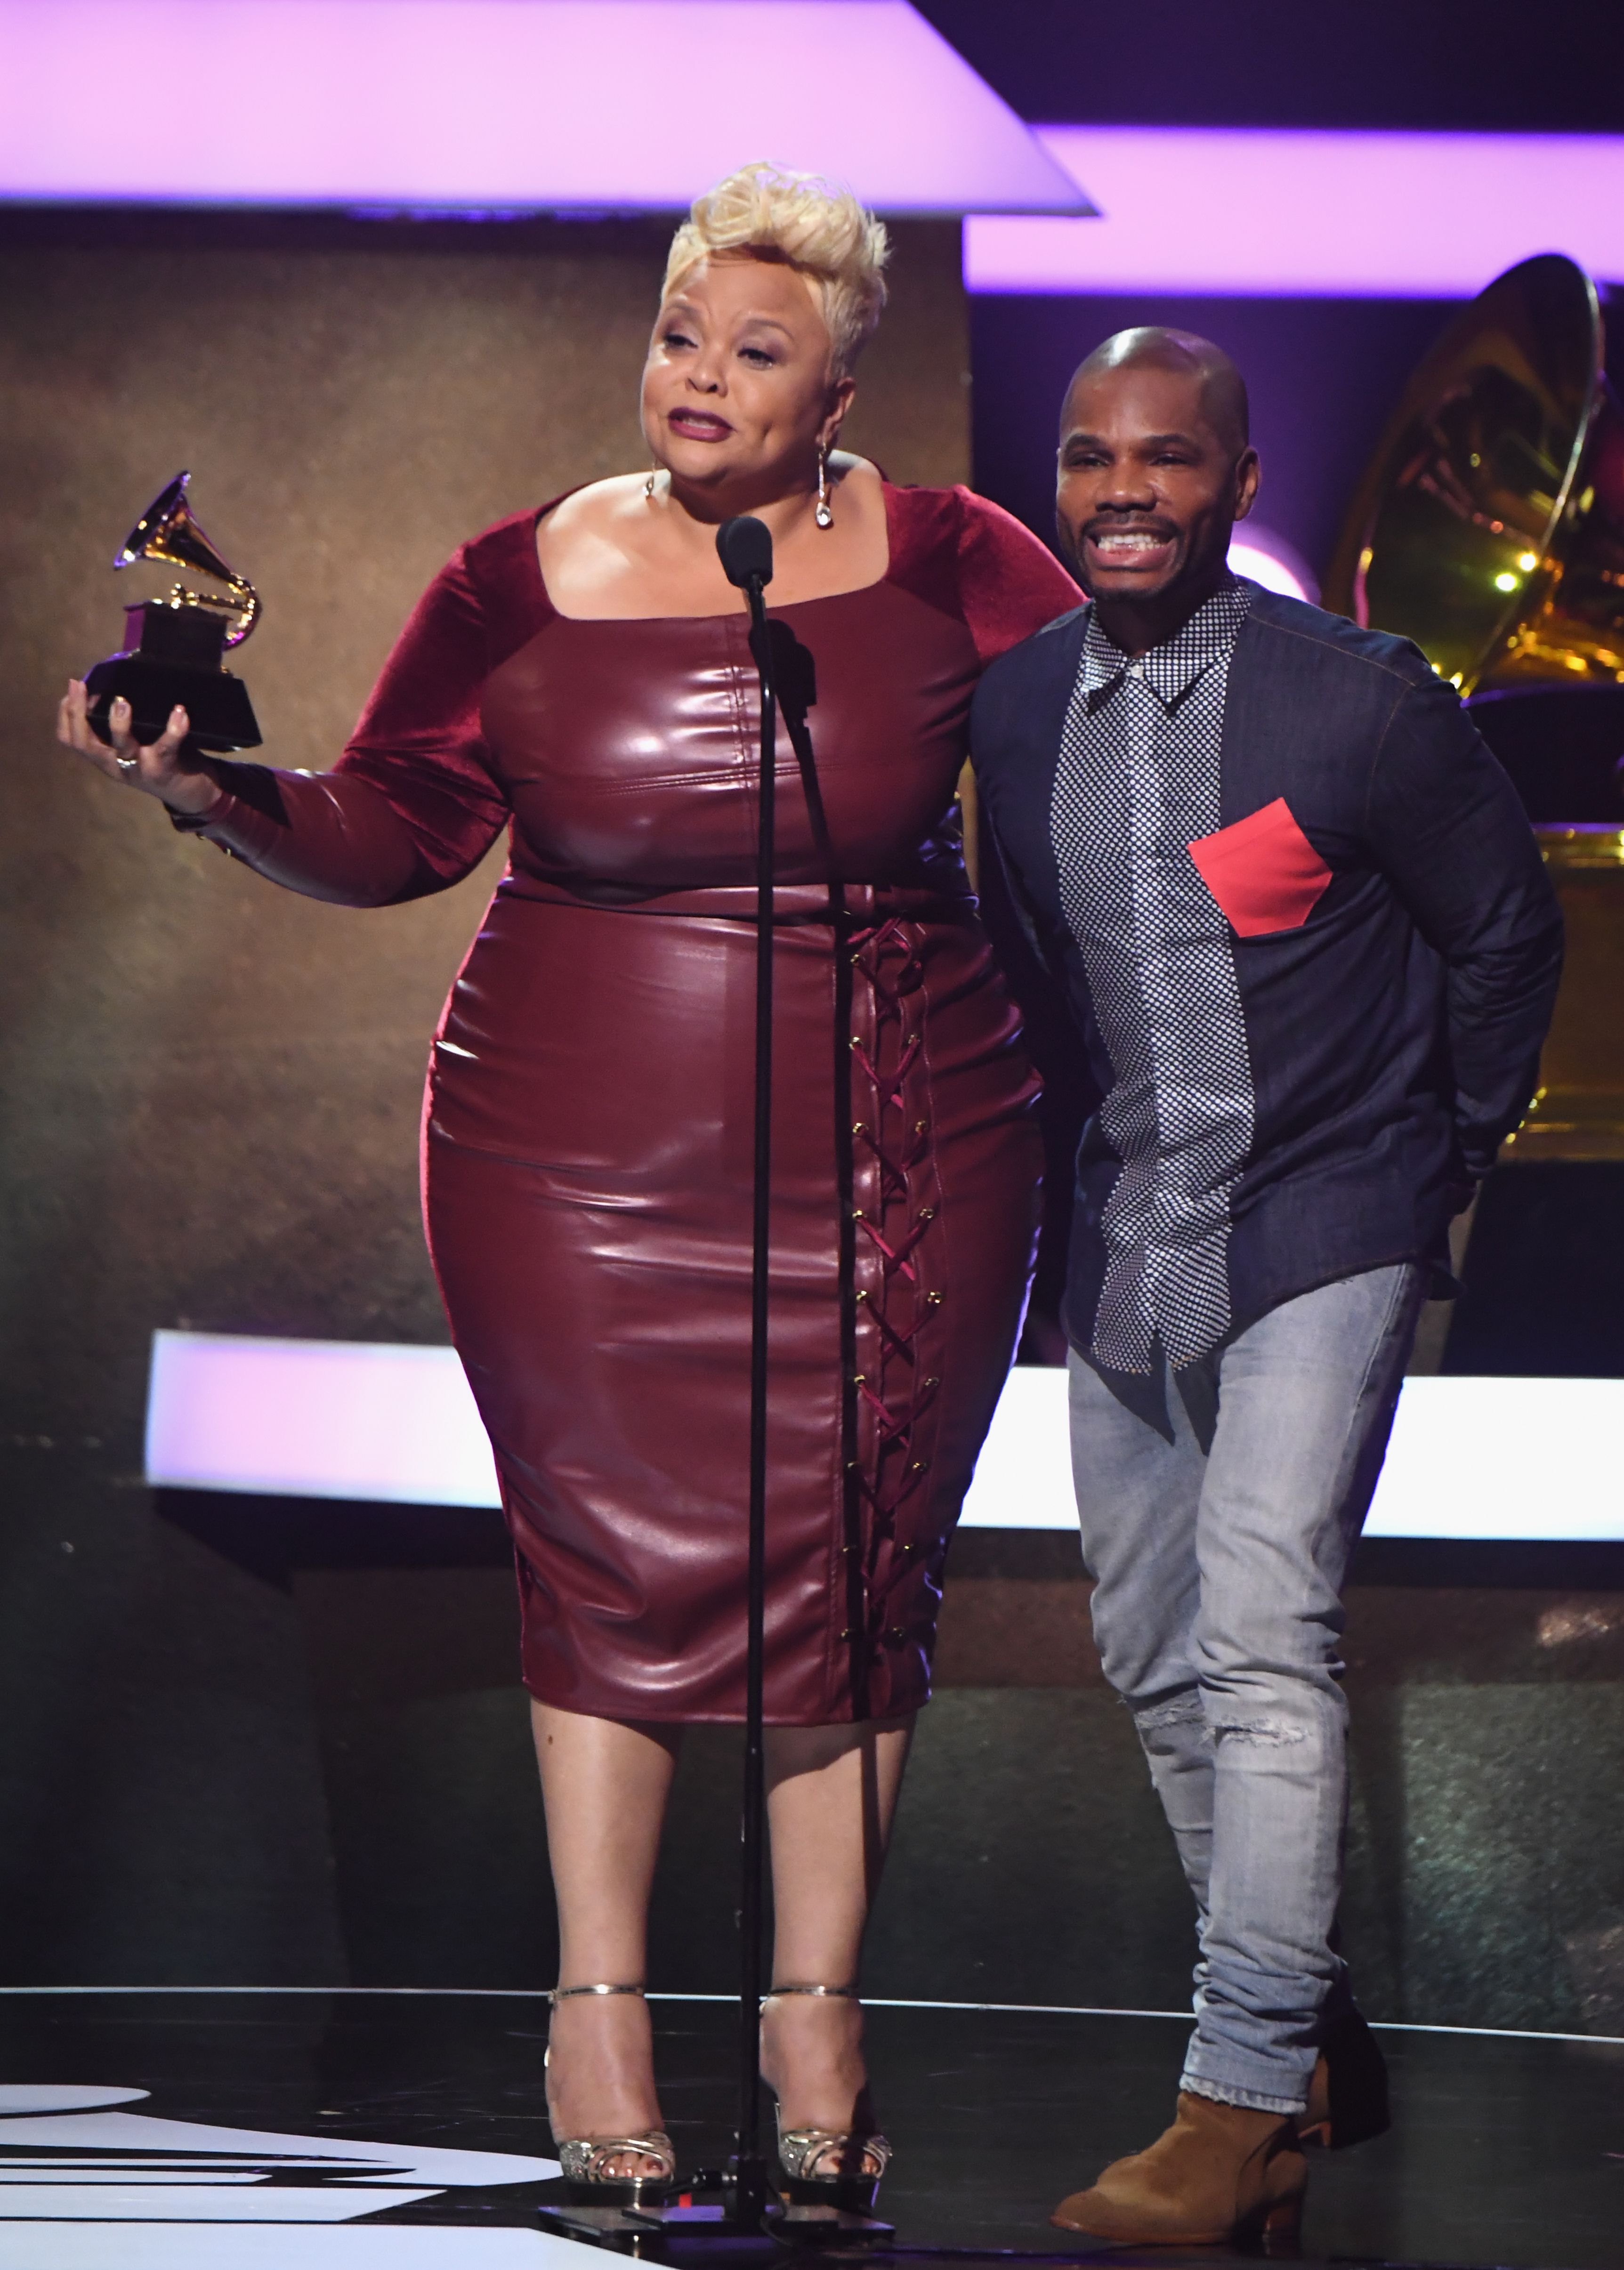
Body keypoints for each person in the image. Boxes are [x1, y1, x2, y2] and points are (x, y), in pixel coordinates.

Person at [57, 165, 1079, 2208]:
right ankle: (594, 2006)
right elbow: (396, 820)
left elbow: (1115, 776)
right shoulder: (510, 574)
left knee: (857, 1567)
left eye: (751, 352)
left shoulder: (959, 558)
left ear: (844, 380)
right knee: (605, 1569)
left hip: (907, 1139)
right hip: (571, 1164)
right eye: (678, 335)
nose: (695, 378)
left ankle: (817, 2014)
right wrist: (206, 791)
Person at [970, 327, 1562, 2246]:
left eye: (1162, 457)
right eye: (1085, 458)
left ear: (1232, 482)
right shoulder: (1008, 712)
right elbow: (1036, 983)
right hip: (1133, 1233)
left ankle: (1230, 2103)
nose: (1118, 489)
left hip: (1328, 1215)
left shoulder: (1358, 705)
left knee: (1260, 1631)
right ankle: (1307, 2038)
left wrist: (1436, 1165)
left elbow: (1504, 936)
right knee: (1148, 1652)